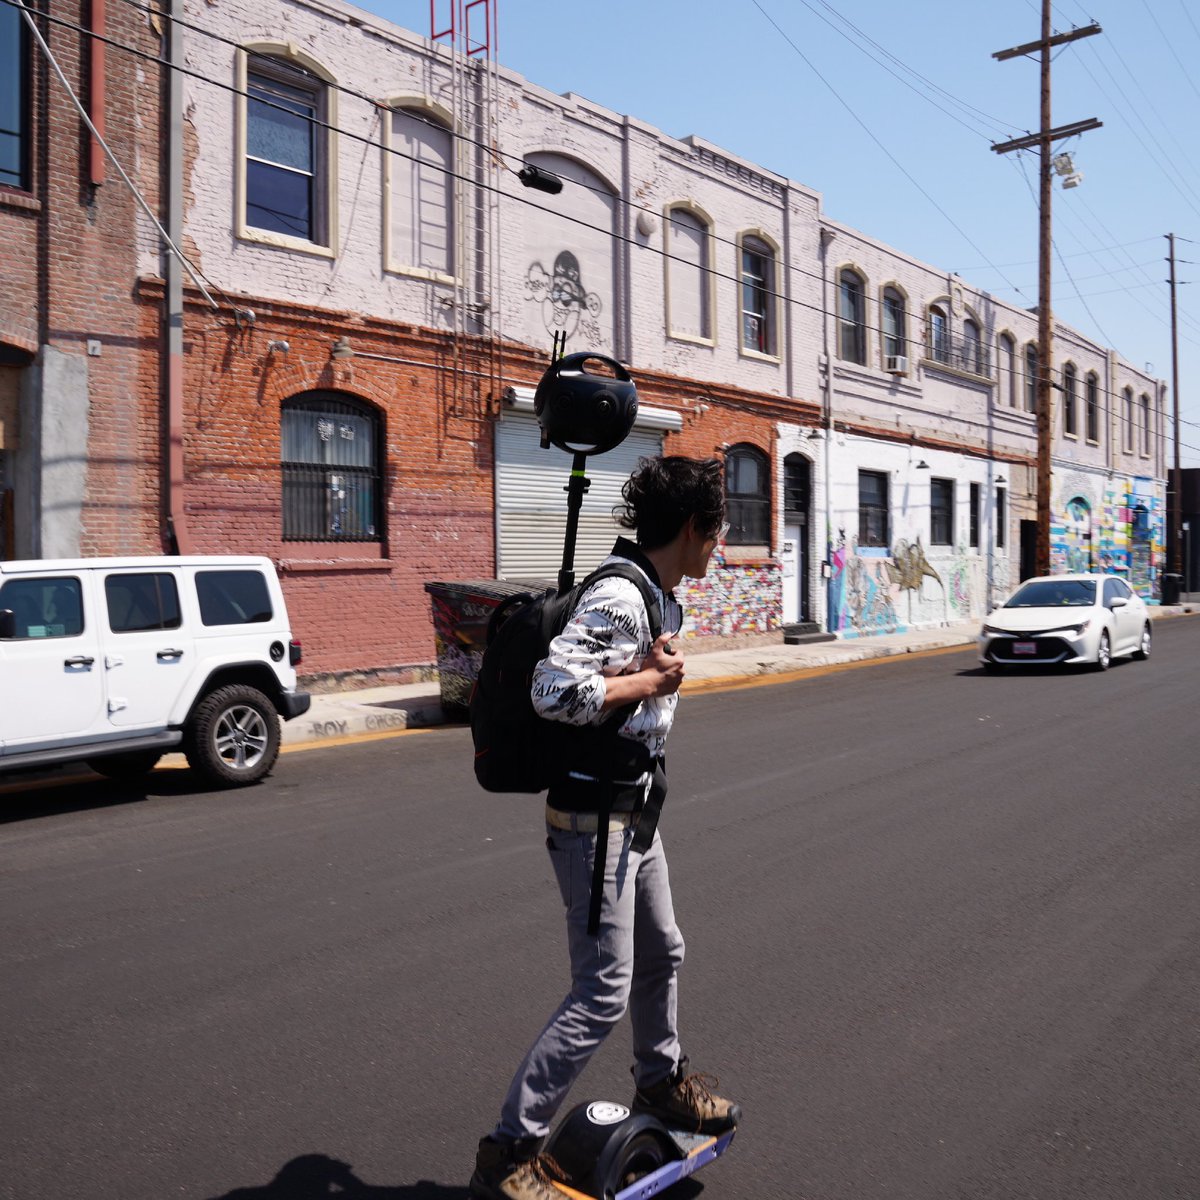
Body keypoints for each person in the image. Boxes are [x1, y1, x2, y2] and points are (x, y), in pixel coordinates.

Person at [469, 455, 741, 1200]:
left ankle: (661, 1082)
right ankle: (508, 1153)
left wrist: (642, 673)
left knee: (665, 952)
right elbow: (552, 689)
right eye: (717, 533)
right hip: (595, 824)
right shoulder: (624, 596)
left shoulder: (651, 593)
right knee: (600, 991)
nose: (719, 547)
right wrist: (649, 680)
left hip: (632, 813)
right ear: (692, 529)